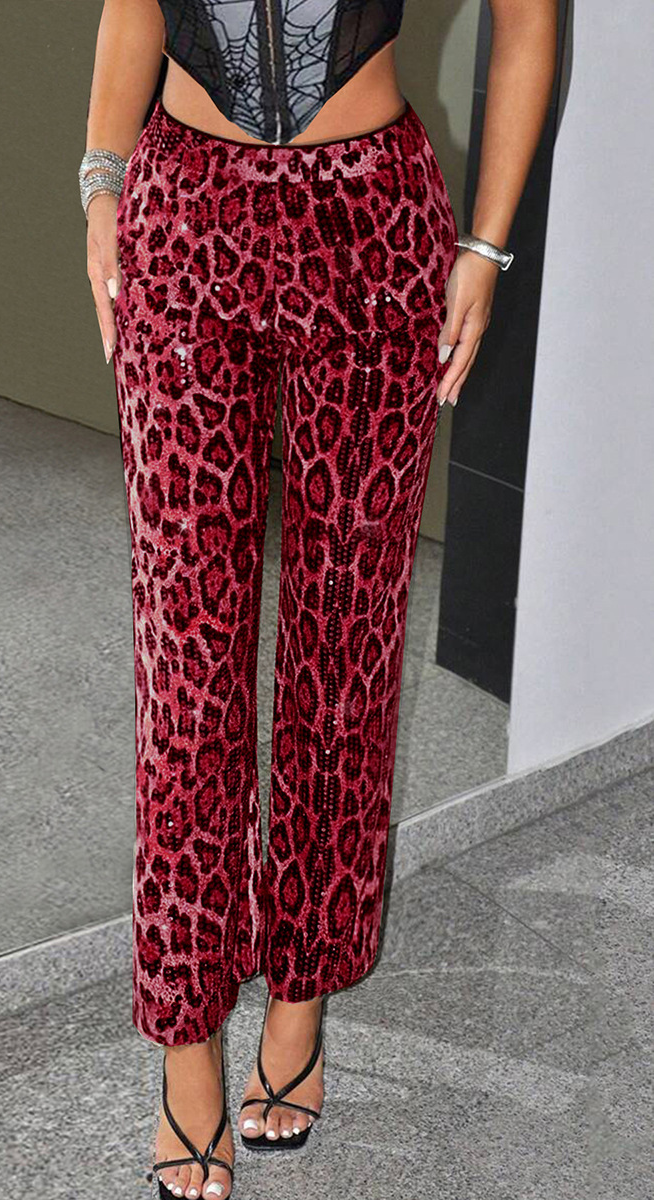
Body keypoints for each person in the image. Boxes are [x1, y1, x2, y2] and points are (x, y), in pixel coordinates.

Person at [81, 2, 556, 1196]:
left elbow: (528, 21)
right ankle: (187, 1037)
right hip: (183, 222)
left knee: (347, 645)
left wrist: (487, 246)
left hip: (372, 227)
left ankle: (302, 993)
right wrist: (100, 183)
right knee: (185, 662)